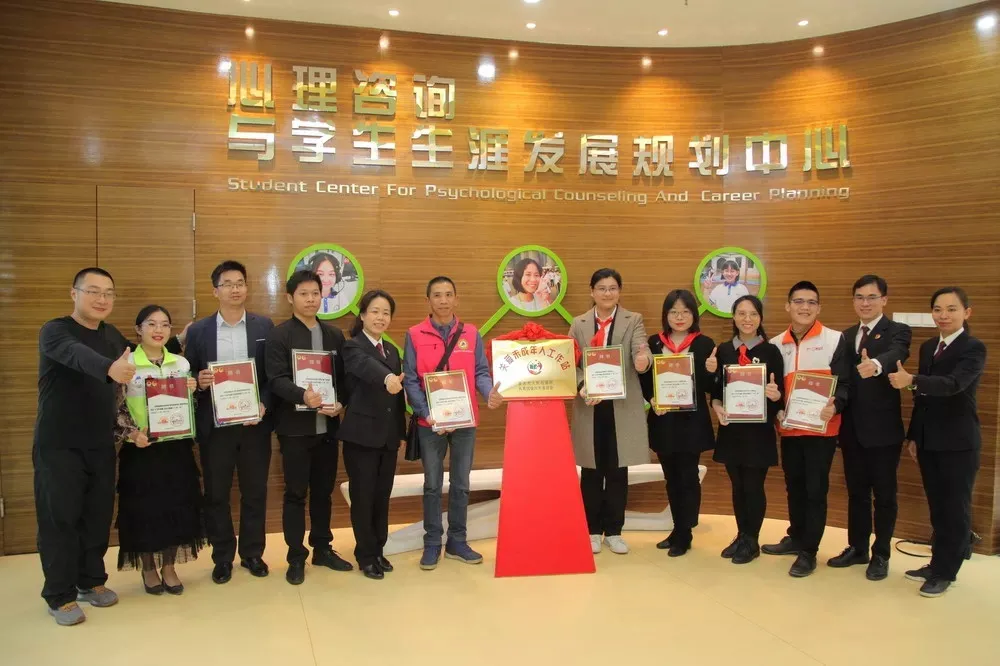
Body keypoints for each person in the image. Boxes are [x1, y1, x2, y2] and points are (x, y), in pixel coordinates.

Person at [34, 267, 133, 626]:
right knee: (60, 519)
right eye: (93, 291)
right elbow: (78, 355)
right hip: (59, 444)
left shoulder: (111, 335)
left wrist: (173, 342)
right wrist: (110, 368)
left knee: (96, 516)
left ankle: (90, 581)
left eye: (108, 293)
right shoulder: (55, 331)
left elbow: (138, 356)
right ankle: (59, 595)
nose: (101, 299)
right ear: (74, 293)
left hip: (100, 443)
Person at [889, 287, 986, 598]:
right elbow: (923, 398)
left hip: (959, 442)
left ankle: (946, 572)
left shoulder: (973, 348)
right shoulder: (930, 346)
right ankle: (936, 564)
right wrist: (914, 435)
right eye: (938, 309)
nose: (943, 315)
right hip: (929, 440)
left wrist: (912, 380)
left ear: (966, 313)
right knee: (937, 507)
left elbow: (954, 384)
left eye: (951, 309)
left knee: (955, 510)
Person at [183, 260, 274, 584]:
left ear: (247, 288)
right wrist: (199, 381)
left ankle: (252, 553)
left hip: (254, 425)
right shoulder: (199, 331)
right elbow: (188, 374)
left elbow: (273, 375)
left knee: (255, 492)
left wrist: (264, 403)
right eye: (227, 284)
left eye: (240, 283)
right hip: (216, 426)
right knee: (217, 494)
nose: (235, 289)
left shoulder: (264, 327)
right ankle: (222, 557)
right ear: (215, 291)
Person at [402, 276, 503, 570]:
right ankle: (432, 542)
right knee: (432, 484)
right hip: (430, 423)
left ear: (456, 299)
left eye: (448, 294)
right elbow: (411, 379)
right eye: (437, 295)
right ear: (428, 301)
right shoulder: (414, 334)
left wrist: (488, 392)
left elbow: (480, 372)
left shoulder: (471, 333)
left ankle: (458, 541)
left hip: (465, 422)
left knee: (461, 484)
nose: (443, 300)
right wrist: (425, 413)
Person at [265, 270, 353, 585]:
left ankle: (322, 549)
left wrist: (340, 402)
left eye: (315, 293)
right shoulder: (279, 336)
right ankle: (295, 556)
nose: (311, 299)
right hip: (294, 430)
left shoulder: (334, 336)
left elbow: (344, 380)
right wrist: (302, 395)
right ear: (290, 298)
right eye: (303, 293)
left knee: (323, 493)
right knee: (295, 494)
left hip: (327, 429)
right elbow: (275, 379)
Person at [114, 305, 206, 595]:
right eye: (151, 324)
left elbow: (190, 408)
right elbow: (114, 407)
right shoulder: (127, 363)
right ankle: (148, 568)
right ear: (138, 329)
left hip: (176, 448)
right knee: (144, 510)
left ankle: (169, 567)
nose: (158, 330)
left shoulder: (181, 363)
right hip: (141, 450)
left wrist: (192, 390)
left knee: (177, 506)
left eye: (165, 324)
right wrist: (131, 434)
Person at [762, 281, 850, 578]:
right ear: (788, 306)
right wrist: (777, 407)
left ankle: (809, 551)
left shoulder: (835, 339)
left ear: (819, 308)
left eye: (811, 302)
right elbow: (772, 388)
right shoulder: (776, 344)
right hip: (789, 429)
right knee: (794, 486)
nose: (805, 307)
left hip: (822, 431)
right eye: (798, 301)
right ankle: (797, 536)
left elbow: (846, 384)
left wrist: (836, 405)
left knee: (815, 490)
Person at [828, 275, 911, 581]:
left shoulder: (897, 331)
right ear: (853, 301)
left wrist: (875, 364)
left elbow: (897, 353)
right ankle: (858, 547)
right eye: (860, 297)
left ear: (884, 300)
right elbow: (840, 378)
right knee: (857, 494)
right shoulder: (846, 335)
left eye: (872, 297)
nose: (865, 303)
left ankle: (881, 554)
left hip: (883, 432)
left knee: (885, 496)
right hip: (851, 431)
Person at [570, 268, 652, 556]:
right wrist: (582, 385)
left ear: (619, 291)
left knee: (618, 471)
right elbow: (570, 361)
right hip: (590, 405)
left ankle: (614, 532)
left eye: (613, 288)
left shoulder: (633, 319)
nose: (607, 293)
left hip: (621, 407)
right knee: (591, 471)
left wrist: (643, 360)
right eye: (602, 288)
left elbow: (641, 351)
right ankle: (592, 531)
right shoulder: (578, 323)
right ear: (592, 291)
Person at [709, 295, 784, 565]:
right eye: (741, 313)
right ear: (734, 317)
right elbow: (717, 392)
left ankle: (752, 540)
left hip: (758, 432)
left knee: (753, 486)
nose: (747, 319)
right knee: (737, 485)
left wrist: (776, 395)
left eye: (753, 314)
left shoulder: (771, 351)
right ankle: (742, 535)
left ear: (760, 318)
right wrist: (717, 406)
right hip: (731, 430)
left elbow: (780, 394)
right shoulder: (724, 350)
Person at [637, 289, 712, 557]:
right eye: (673, 312)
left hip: (692, 423)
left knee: (688, 477)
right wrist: (651, 398)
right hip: (664, 420)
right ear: (665, 315)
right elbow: (644, 379)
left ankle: (685, 532)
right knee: (671, 478)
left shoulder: (704, 344)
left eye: (685, 312)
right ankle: (677, 529)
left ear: (694, 315)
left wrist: (711, 371)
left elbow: (710, 386)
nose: (679, 317)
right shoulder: (654, 343)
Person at [339, 290, 406, 580]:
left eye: (386, 313)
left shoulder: (391, 350)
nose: (380, 317)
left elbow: (397, 398)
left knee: (382, 496)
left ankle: (378, 549)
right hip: (361, 437)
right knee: (363, 497)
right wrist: (387, 378)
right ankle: (365, 555)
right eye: (375, 311)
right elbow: (366, 368)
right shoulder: (352, 346)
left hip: (388, 437)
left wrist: (400, 432)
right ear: (363, 315)